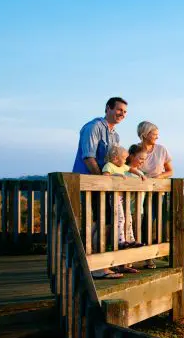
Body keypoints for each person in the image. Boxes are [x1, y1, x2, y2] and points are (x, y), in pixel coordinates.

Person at [73, 98, 128, 279]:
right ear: (108, 108)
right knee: (93, 225)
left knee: (105, 224)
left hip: (104, 187)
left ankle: (100, 265)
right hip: (89, 184)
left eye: (125, 112)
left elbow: (114, 162)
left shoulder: (115, 136)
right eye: (119, 110)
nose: (122, 114)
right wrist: (102, 181)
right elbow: (88, 157)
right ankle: (95, 268)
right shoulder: (93, 127)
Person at [136, 122, 173, 269]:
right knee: (143, 224)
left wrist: (159, 178)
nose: (157, 136)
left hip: (158, 192)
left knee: (159, 223)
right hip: (140, 193)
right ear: (145, 134)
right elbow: (129, 167)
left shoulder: (161, 149)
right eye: (154, 133)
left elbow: (170, 171)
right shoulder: (135, 149)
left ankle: (154, 255)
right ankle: (145, 257)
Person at [101, 146, 144, 260]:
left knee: (128, 218)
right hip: (115, 197)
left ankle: (131, 239)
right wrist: (116, 176)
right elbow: (105, 176)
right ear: (115, 158)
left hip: (124, 198)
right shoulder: (109, 166)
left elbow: (131, 169)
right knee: (120, 218)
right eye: (124, 158)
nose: (126, 160)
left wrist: (140, 174)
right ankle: (121, 241)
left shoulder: (123, 166)